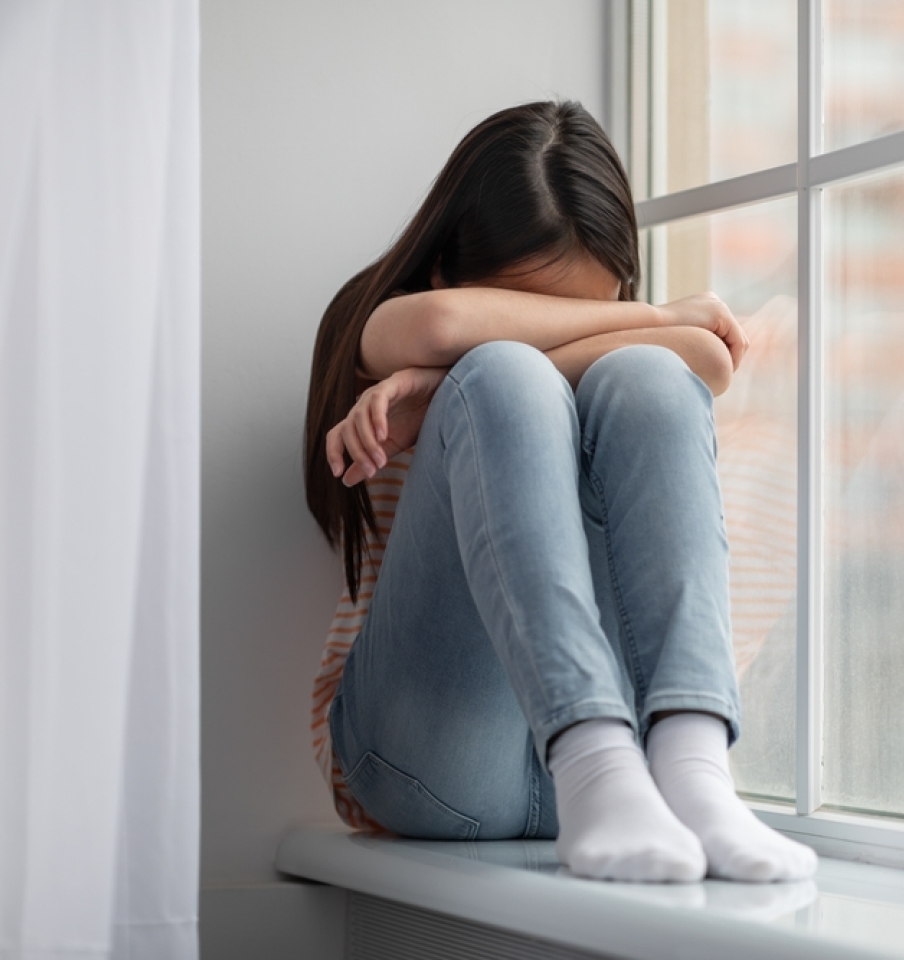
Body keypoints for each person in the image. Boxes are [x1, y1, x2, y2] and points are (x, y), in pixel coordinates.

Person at [302, 100, 817, 884]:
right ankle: (592, 752)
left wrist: (443, 385)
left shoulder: (622, 352)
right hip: (425, 763)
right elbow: (442, 325)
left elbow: (702, 362)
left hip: (641, 785)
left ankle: (694, 763)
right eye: (535, 309)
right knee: (506, 375)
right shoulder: (376, 327)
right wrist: (470, 377)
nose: (572, 326)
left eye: (590, 309)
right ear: (447, 265)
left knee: (646, 377)